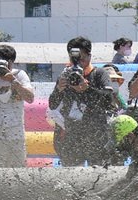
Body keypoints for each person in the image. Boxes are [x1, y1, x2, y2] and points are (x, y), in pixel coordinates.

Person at [48, 36, 119, 167]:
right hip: (71, 134)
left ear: (89, 56)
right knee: (72, 175)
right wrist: (59, 89)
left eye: (82, 58)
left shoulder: (99, 74)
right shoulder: (65, 75)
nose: (79, 62)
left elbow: (109, 100)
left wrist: (87, 89)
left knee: (98, 174)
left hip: (95, 133)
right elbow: (52, 105)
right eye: (75, 59)